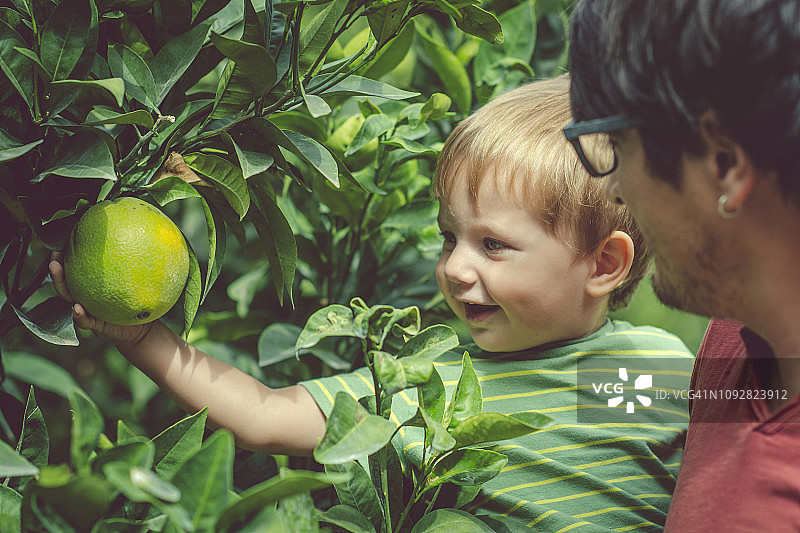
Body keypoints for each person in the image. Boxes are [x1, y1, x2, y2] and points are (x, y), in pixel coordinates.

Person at [51, 75, 693, 531]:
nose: (454, 267)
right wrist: (143, 338)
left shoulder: (644, 371)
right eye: (449, 238)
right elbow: (264, 417)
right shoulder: (430, 386)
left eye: (493, 245)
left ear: (602, 265)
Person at [564, 1, 800, 531]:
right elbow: (590, 393)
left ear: (725, 162)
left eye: (618, 146)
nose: (613, 189)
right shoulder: (734, 338)